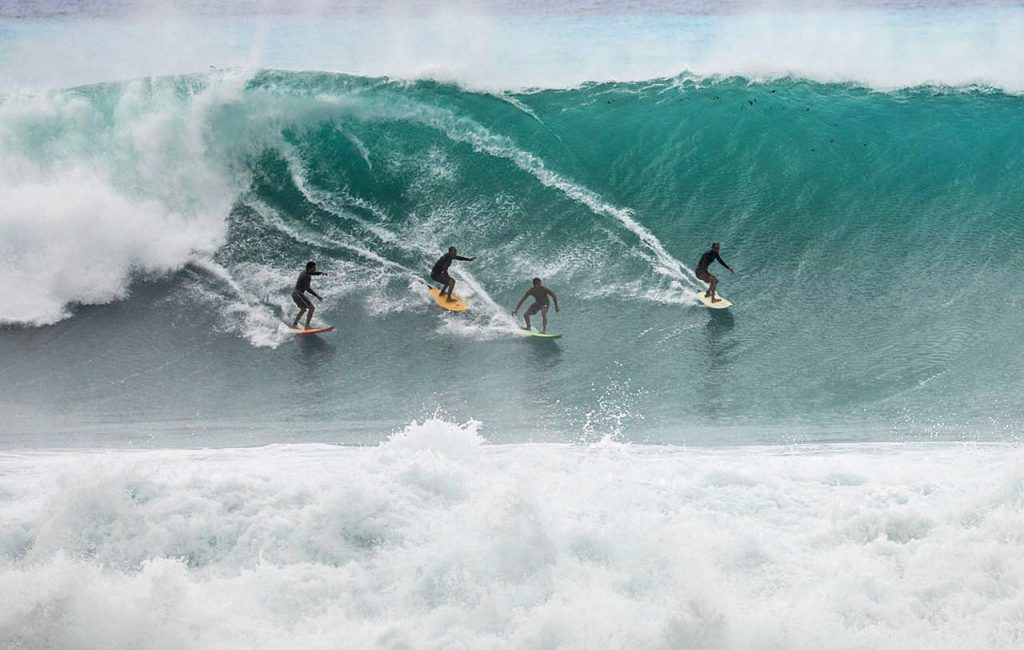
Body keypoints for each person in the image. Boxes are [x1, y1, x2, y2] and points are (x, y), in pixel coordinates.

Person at [291, 261, 326, 329]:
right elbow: (307, 288)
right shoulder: (307, 276)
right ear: (310, 268)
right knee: (311, 308)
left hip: (296, 294)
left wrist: (321, 273)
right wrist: (317, 296)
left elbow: (313, 273)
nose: (315, 269)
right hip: (297, 294)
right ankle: (307, 326)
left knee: (303, 309)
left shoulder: (305, 272)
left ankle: (295, 324)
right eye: (314, 268)